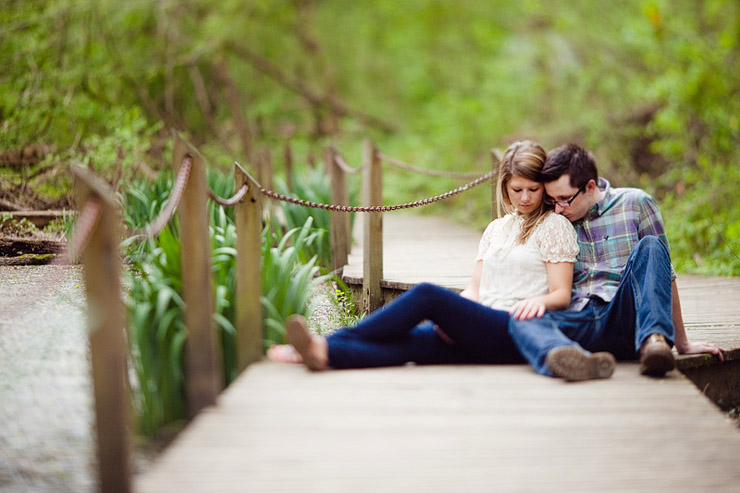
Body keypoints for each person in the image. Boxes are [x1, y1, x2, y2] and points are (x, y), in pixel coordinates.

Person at [267, 140, 583, 371]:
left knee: (428, 295)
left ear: (543, 187)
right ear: (504, 188)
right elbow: (475, 289)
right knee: (414, 343)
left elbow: (561, 294)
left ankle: (328, 339)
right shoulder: (497, 229)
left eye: (533, 189)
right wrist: (457, 318)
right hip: (482, 327)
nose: (525, 197)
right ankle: (324, 354)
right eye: (517, 189)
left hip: (516, 330)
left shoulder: (554, 227)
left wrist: (537, 303)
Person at [508, 143, 725, 381]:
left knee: (652, 246)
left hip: (625, 317)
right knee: (521, 320)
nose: (558, 209)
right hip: (580, 319)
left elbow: (664, 273)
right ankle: (570, 358)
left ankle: (654, 342)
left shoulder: (636, 203)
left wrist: (682, 343)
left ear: (590, 186)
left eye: (564, 199)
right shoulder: (555, 220)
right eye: (552, 201)